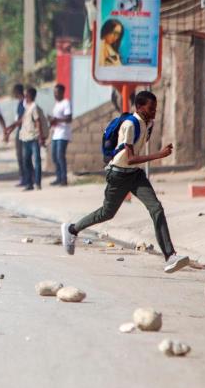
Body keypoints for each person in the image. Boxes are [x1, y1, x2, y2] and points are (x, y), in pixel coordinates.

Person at [60, 91, 190, 273]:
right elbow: (130, 159)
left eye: (155, 108)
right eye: (151, 108)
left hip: (135, 175)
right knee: (107, 213)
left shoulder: (148, 123)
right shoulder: (130, 125)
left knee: (156, 208)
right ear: (139, 107)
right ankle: (72, 229)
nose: (154, 111)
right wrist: (159, 155)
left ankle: (170, 255)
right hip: (119, 174)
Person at [16, 86, 46, 191]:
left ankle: (37, 182)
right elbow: (21, 121)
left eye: (26, 94)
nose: (25, 96)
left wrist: (41, 137)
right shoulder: (26, 107)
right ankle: (29, 183)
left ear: (30, 95)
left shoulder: (34, 107)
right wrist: (10, 128)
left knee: (37, 161)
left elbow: (38, 122)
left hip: (34, 138)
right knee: (26, 161)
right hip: (25, 138)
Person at [4, 84, 26, 187]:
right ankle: (23, 178)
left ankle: (28, 177)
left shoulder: (25, 103)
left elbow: (22, 119)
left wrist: (10, 127)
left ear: (17, 92)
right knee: (19, 156)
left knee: (25, 156)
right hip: (19, 131)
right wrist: (10, 131)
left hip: (26, 132)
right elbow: (17, 121)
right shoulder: (19, 103)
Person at [50, 83, 72, 186]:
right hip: (56, 133)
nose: (55, 95)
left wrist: (56, 120)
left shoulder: (66, 103)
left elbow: (69, 118)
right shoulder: (56, 104)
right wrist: (51, 121)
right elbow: (56, 120)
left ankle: (64, 179)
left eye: (57, 92)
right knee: (54, 156)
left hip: (63, 134)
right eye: (54, 93)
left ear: (62, 92)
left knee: (60, 156)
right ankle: (58, 177)